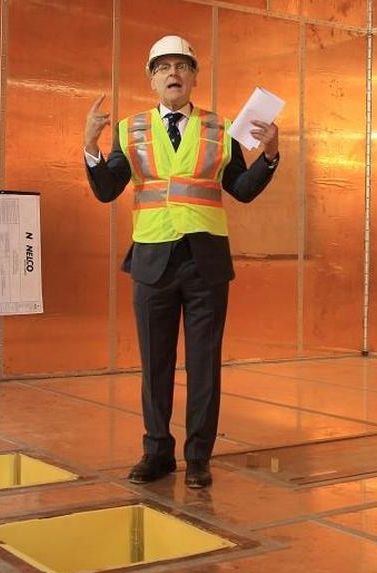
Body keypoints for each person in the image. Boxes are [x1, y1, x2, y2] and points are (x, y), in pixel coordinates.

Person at [83, 35, 280, 488]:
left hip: (206, 262)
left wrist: (269, 156)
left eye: (182, 66)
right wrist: (90, 145)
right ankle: (156, 452)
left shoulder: (219, 128)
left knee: (204, 364)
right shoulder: (130, 130)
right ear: (152, 78)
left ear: (193, 76)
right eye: (163, 67)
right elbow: (107, 190)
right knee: (155, 363)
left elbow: (242, 190)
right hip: (152, 261)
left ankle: (198, 458)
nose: (173, 74)